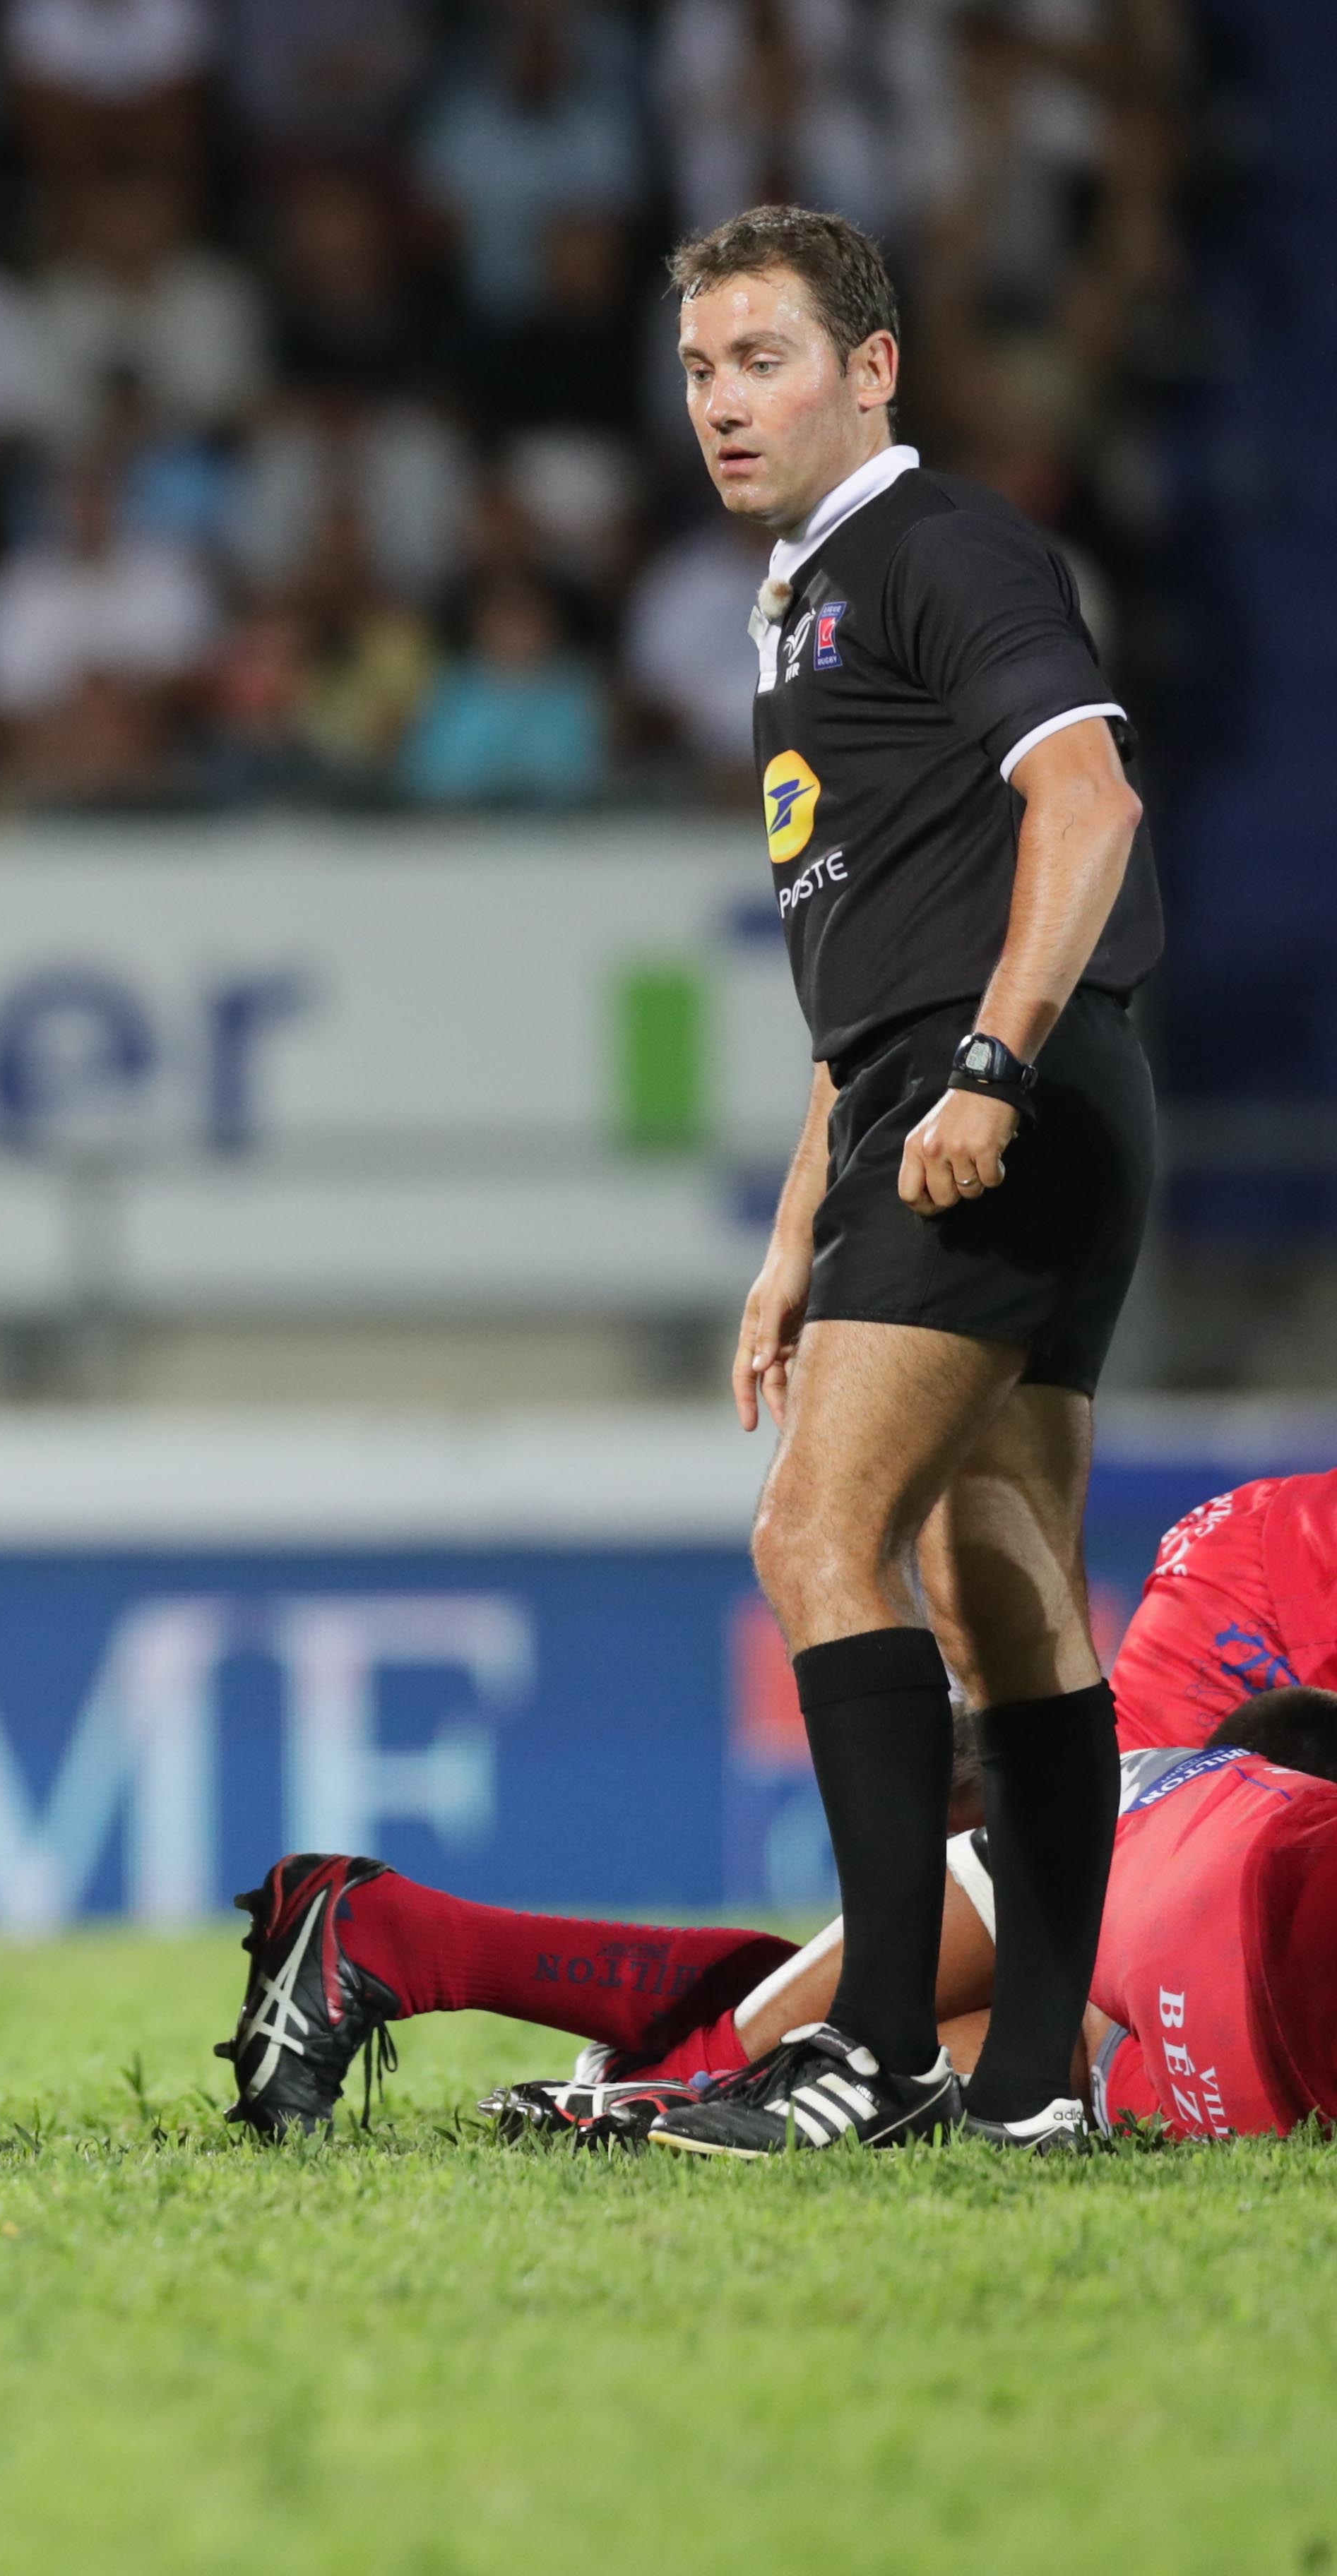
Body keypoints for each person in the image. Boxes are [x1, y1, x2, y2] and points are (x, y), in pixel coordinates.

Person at [658, 204, 1159, 2157]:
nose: (723, 402)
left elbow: (1091, 796)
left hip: (1000, 1096)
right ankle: (1034, 2083)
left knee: (815, 1533)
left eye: (763, 358)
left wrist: (989, 1064)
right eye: (700, 368)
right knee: (1005, 1577)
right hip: (972, 1089)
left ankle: (871, 2049)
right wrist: (797, 1234)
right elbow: (861, 972)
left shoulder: (938, 550)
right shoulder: (801, 602)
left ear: (875, 370)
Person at [218, 1470, 1337, 2145]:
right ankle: (688, 2074)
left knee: (1070, 2028)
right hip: (1282, 1595)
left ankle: (413, 1945)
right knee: (1073, 1906)